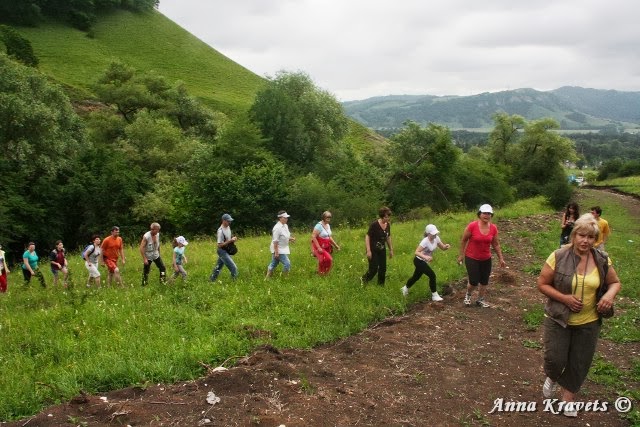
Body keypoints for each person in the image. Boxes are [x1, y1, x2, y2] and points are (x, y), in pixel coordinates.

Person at [537, 213, 621, 418]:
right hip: (559, 319)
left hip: (589, 321)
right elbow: (542, 284)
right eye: (581, 235)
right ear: (574, 236)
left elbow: (615, 283)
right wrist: (564, 299)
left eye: (591, 237)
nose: (585, 241)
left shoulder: (601, 259)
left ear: (595, 239)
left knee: (579, 361)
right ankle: (552, 376)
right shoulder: (558, 256)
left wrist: (609, 296)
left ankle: (568, 399)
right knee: (555, 359)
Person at [456, 204, 506, 308]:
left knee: (484, 280)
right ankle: (468, 295)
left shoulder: (493, 228)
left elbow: (495, 244)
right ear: (479, 214)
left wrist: (501, 258)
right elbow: (464, 240)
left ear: (491, 215)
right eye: (484, 213)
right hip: (471, 257)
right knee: (473, 281)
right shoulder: (472, 226)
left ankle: (480, 299)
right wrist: (461, 255)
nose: (486, 215)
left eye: (489, 213)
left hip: (486, 258)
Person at [401, 224, 451, 300]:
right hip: (419, 261)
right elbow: (416, 252)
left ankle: (405, 288)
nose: (435, 234)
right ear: (428, 233)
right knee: (432, 275)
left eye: (435, 233)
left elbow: (442, 247)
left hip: (424, 261)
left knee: (416, 277)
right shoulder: (425, 241)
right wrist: (426, 257)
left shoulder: (436, 238)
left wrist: (446, 246)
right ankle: (434, 295)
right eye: (433, 233)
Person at [361, 206, 394, 286]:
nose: (388, 218)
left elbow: (388, 237)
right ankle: (364, 280)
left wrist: (391, 249)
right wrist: (368, 250)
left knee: (383, 268)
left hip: (382, 249)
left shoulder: (388, 225)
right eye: (386, 217)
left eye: (389, 216)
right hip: (373, 249)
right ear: (382, 216)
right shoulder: (374, 225)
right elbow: (367, 236)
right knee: (374, 269)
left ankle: (380, 285)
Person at [266, 211, 296, 278]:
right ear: (280, 218)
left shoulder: (285, 226)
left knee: (274, 263)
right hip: (278, 248)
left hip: (283, 248)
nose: (286, 219)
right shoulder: (277, 228)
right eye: (284, 218)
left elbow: (285, 236)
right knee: (287, 263)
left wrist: (291, 239)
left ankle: (267, 278)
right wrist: (276, 252)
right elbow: (275, 241)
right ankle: (285, 278)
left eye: (287, 218)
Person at [210, 213, 239, 282]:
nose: (230, 222)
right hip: (222, 251)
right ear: (223, 220)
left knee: (218, 267)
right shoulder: (220, 231)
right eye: (228, 221)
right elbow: (219, 245)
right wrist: (230, 241)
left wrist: (233, 239)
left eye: (230, 221)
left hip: (227, 250)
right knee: (233, 268)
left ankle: (211, 280)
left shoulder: (228, 227)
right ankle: (234, 283)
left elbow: (228, 238)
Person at [311, 211, 341, 275]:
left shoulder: (328, 225)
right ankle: (324, 273)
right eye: (327, 218)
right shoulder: (319, 226)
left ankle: (322, 274)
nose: (329, 219)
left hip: (327, 246)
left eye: (330, 218)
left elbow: (329, 237)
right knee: (329, 259)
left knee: (323, 261)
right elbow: (313, 236)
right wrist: (318, 247)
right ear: (323, 217)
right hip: (319, 246)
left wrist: (336, 245)